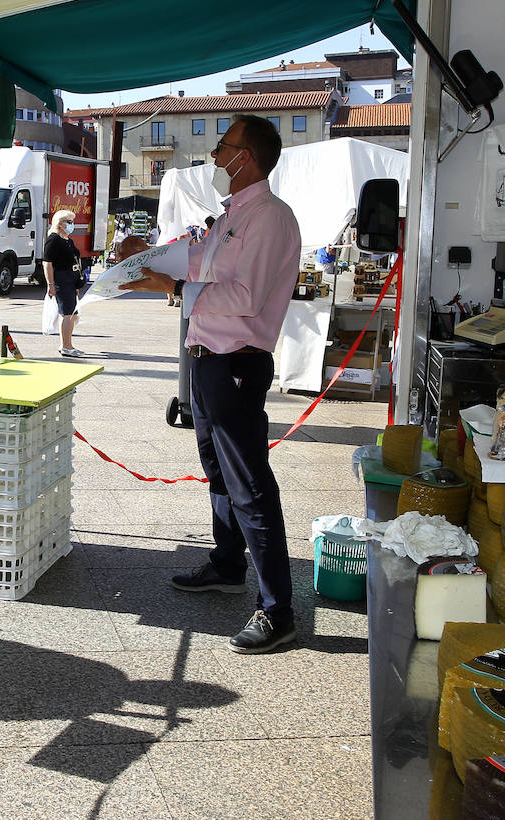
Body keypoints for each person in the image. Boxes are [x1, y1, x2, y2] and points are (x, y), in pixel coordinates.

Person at [120, 114, 302, 655]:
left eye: (224, 146)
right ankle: (227, 564)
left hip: (236, 363)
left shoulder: (269, 218)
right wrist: (146, 257)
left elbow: (244, 297)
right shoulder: (232, 216)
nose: (218, 155)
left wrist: (173, 287)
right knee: (218, 471)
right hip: (208, 360)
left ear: (247, 158)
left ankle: (278, 611)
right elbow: (196, 258)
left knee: (249, 484)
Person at [44, 209, 84, 358]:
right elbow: (47, 263)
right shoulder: (53, 239)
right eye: (69, 221)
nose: (72, 224)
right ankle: (66, 346)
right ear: (60, 223)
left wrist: (77, 284)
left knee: (73, 313)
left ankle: (68, 344)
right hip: (61, 279)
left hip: (72, 279)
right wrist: (51, 284)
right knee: (67, 313)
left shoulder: (68, 240)